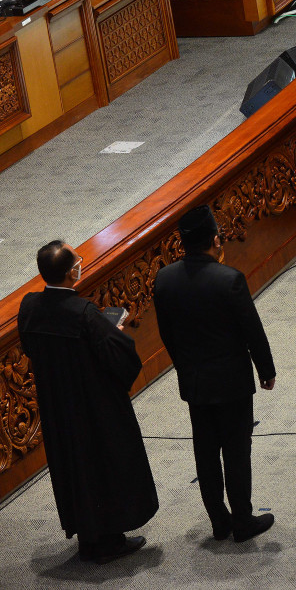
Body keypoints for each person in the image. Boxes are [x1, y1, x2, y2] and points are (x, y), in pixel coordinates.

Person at [17, 241, 158, 564]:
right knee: (104, 464)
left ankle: (89, 538)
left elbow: (29, 347)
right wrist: (114, 330)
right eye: (77, 261)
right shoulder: (84, 314)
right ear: (71, 273)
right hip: (93, 407)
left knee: (73, 468)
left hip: (55, 407)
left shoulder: (29, 306)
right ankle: (109, 541)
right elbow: (119, 356)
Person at [153, 205, 277, 543]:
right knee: (236, 452)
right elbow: (252, 330)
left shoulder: (164, 279)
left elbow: (167, 334)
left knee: (205, 454)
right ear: (216, 240)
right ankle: (243, 522)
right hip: (232, 383)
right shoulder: (229, 279)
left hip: (194, 383)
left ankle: (219, 522)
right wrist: (266, 370)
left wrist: (184, 367)